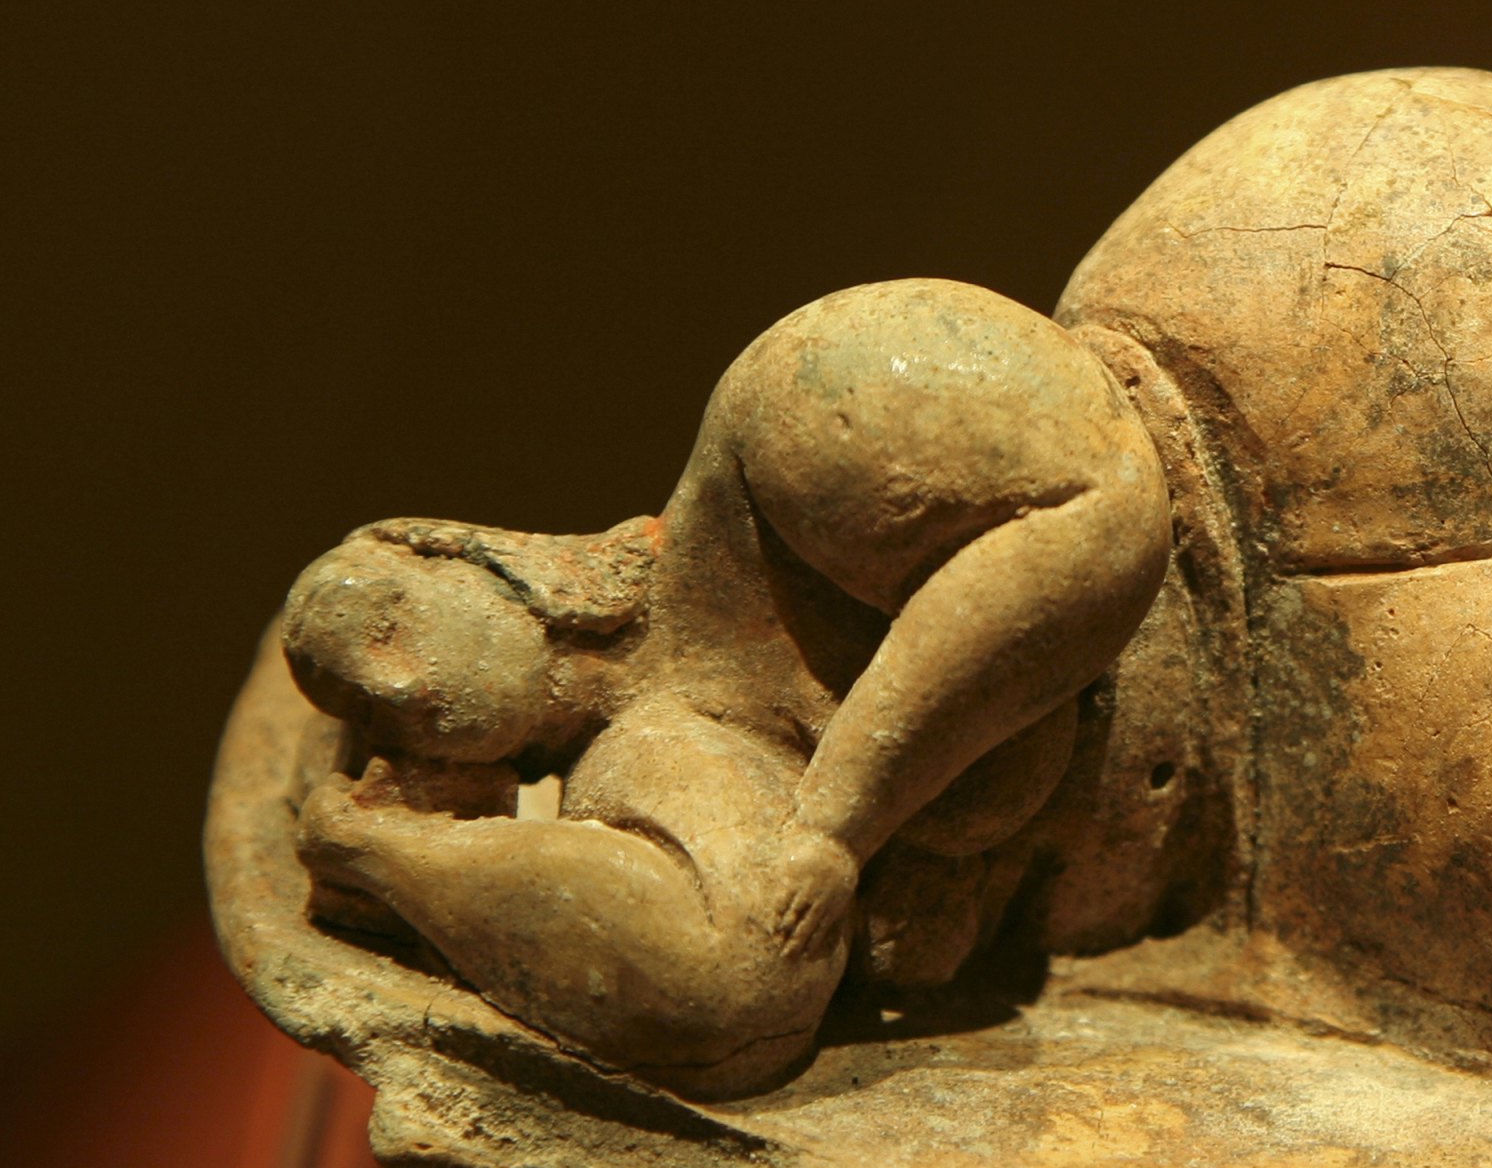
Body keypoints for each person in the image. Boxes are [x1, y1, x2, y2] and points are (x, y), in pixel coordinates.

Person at [286, 280, 1171, 1095]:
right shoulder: (653, 763)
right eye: (368, 708)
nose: (398, 688)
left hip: (1223, 411)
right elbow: (724, 988)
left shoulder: (771, 432)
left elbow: (1097, 513)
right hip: (1161, 903)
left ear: (463, 553)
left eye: (389, 624)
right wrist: (388, 855)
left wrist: (839, 819)